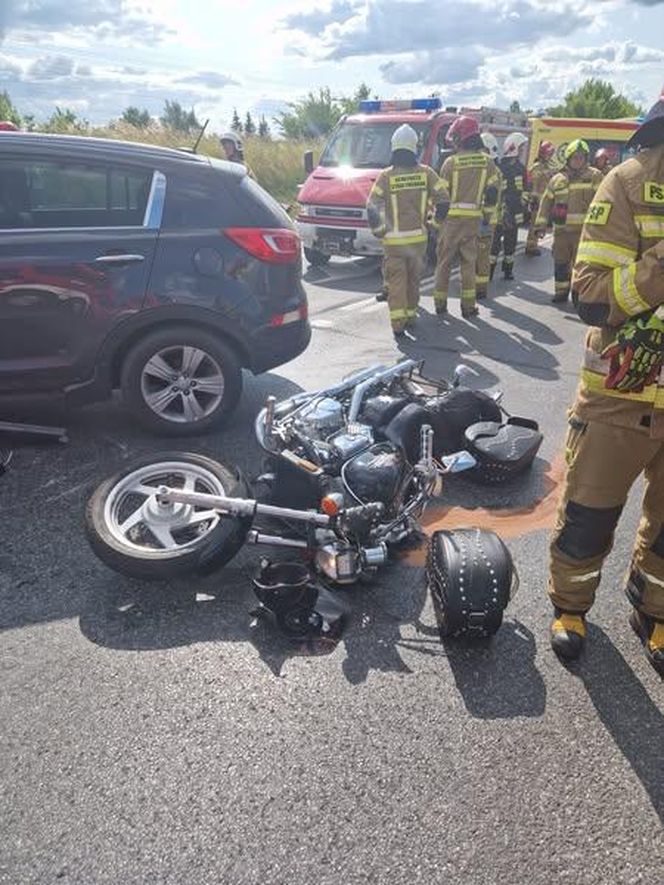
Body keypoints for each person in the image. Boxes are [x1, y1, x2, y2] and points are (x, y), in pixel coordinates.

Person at [547, 87, 664, 677]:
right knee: (591, 514)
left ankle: (655, 609)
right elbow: (592, 297)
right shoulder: (626, 182)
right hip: (620, 397)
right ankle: (571, 609)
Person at [367, 124, 449, 338]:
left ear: (394, 147)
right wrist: (435, 225)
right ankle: (411, 316)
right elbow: (443, 201)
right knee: (414, 282)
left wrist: (379, 231)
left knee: (396, 284)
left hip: (393, 244)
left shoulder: (385, 176)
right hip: (418, 243)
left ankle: (398, 325)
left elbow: (372, 205)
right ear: (414, 148)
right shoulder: (427, 173)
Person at [433, 116, 500, 318]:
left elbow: (442, 197)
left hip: (451, 222)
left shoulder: (450, 163)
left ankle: (440, 304)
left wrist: (436, 222)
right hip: (473, 221)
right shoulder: (488, 163)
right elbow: (492, 194)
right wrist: (487, 217)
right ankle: (468, 307)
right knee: (468, 264)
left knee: (443, 263)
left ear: (460, 137)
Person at [534, 139, 603, 303]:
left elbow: (604, 201)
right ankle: (561, 291)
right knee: (560, 262)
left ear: (586, 159)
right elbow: (546, 203)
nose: (577, 160)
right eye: (574, 157)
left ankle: (578, 295)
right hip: (561, 232)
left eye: (581, 157)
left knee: (582, 265)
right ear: (568, 159)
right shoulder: (557, 179)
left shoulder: (595, 176)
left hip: (584, 233)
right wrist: (540, 226)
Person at [490, 132, 528, 282]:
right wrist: (504, 210)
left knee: (511, 243)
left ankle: (508, 270)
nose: (524, 150)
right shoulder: (500, 167)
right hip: (501, 213)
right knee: (494, 245)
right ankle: (489, 271)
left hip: (515, 212)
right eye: (522, 147)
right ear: (514, 148)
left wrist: (525, 203)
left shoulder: (521, 168)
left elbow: (525, 188)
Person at [475, 132, 502, 300]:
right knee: (482, 256)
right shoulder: (495, 169)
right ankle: (480, 288)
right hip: (488, 219)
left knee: (477, 256)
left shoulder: (487, 170)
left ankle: (477, 288)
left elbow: (490, 197)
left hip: (483, 219)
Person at [525, 140, 556, 256]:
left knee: (539, 224)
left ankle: (534, 244)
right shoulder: (537, 167)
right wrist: (533, 200)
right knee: (534, 224)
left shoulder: (547, 166)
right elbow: (534, 184)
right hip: (537, 200)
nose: (550, 156)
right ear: (543, 153)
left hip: (544, 200)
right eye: (549, 153)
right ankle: (530, 246)